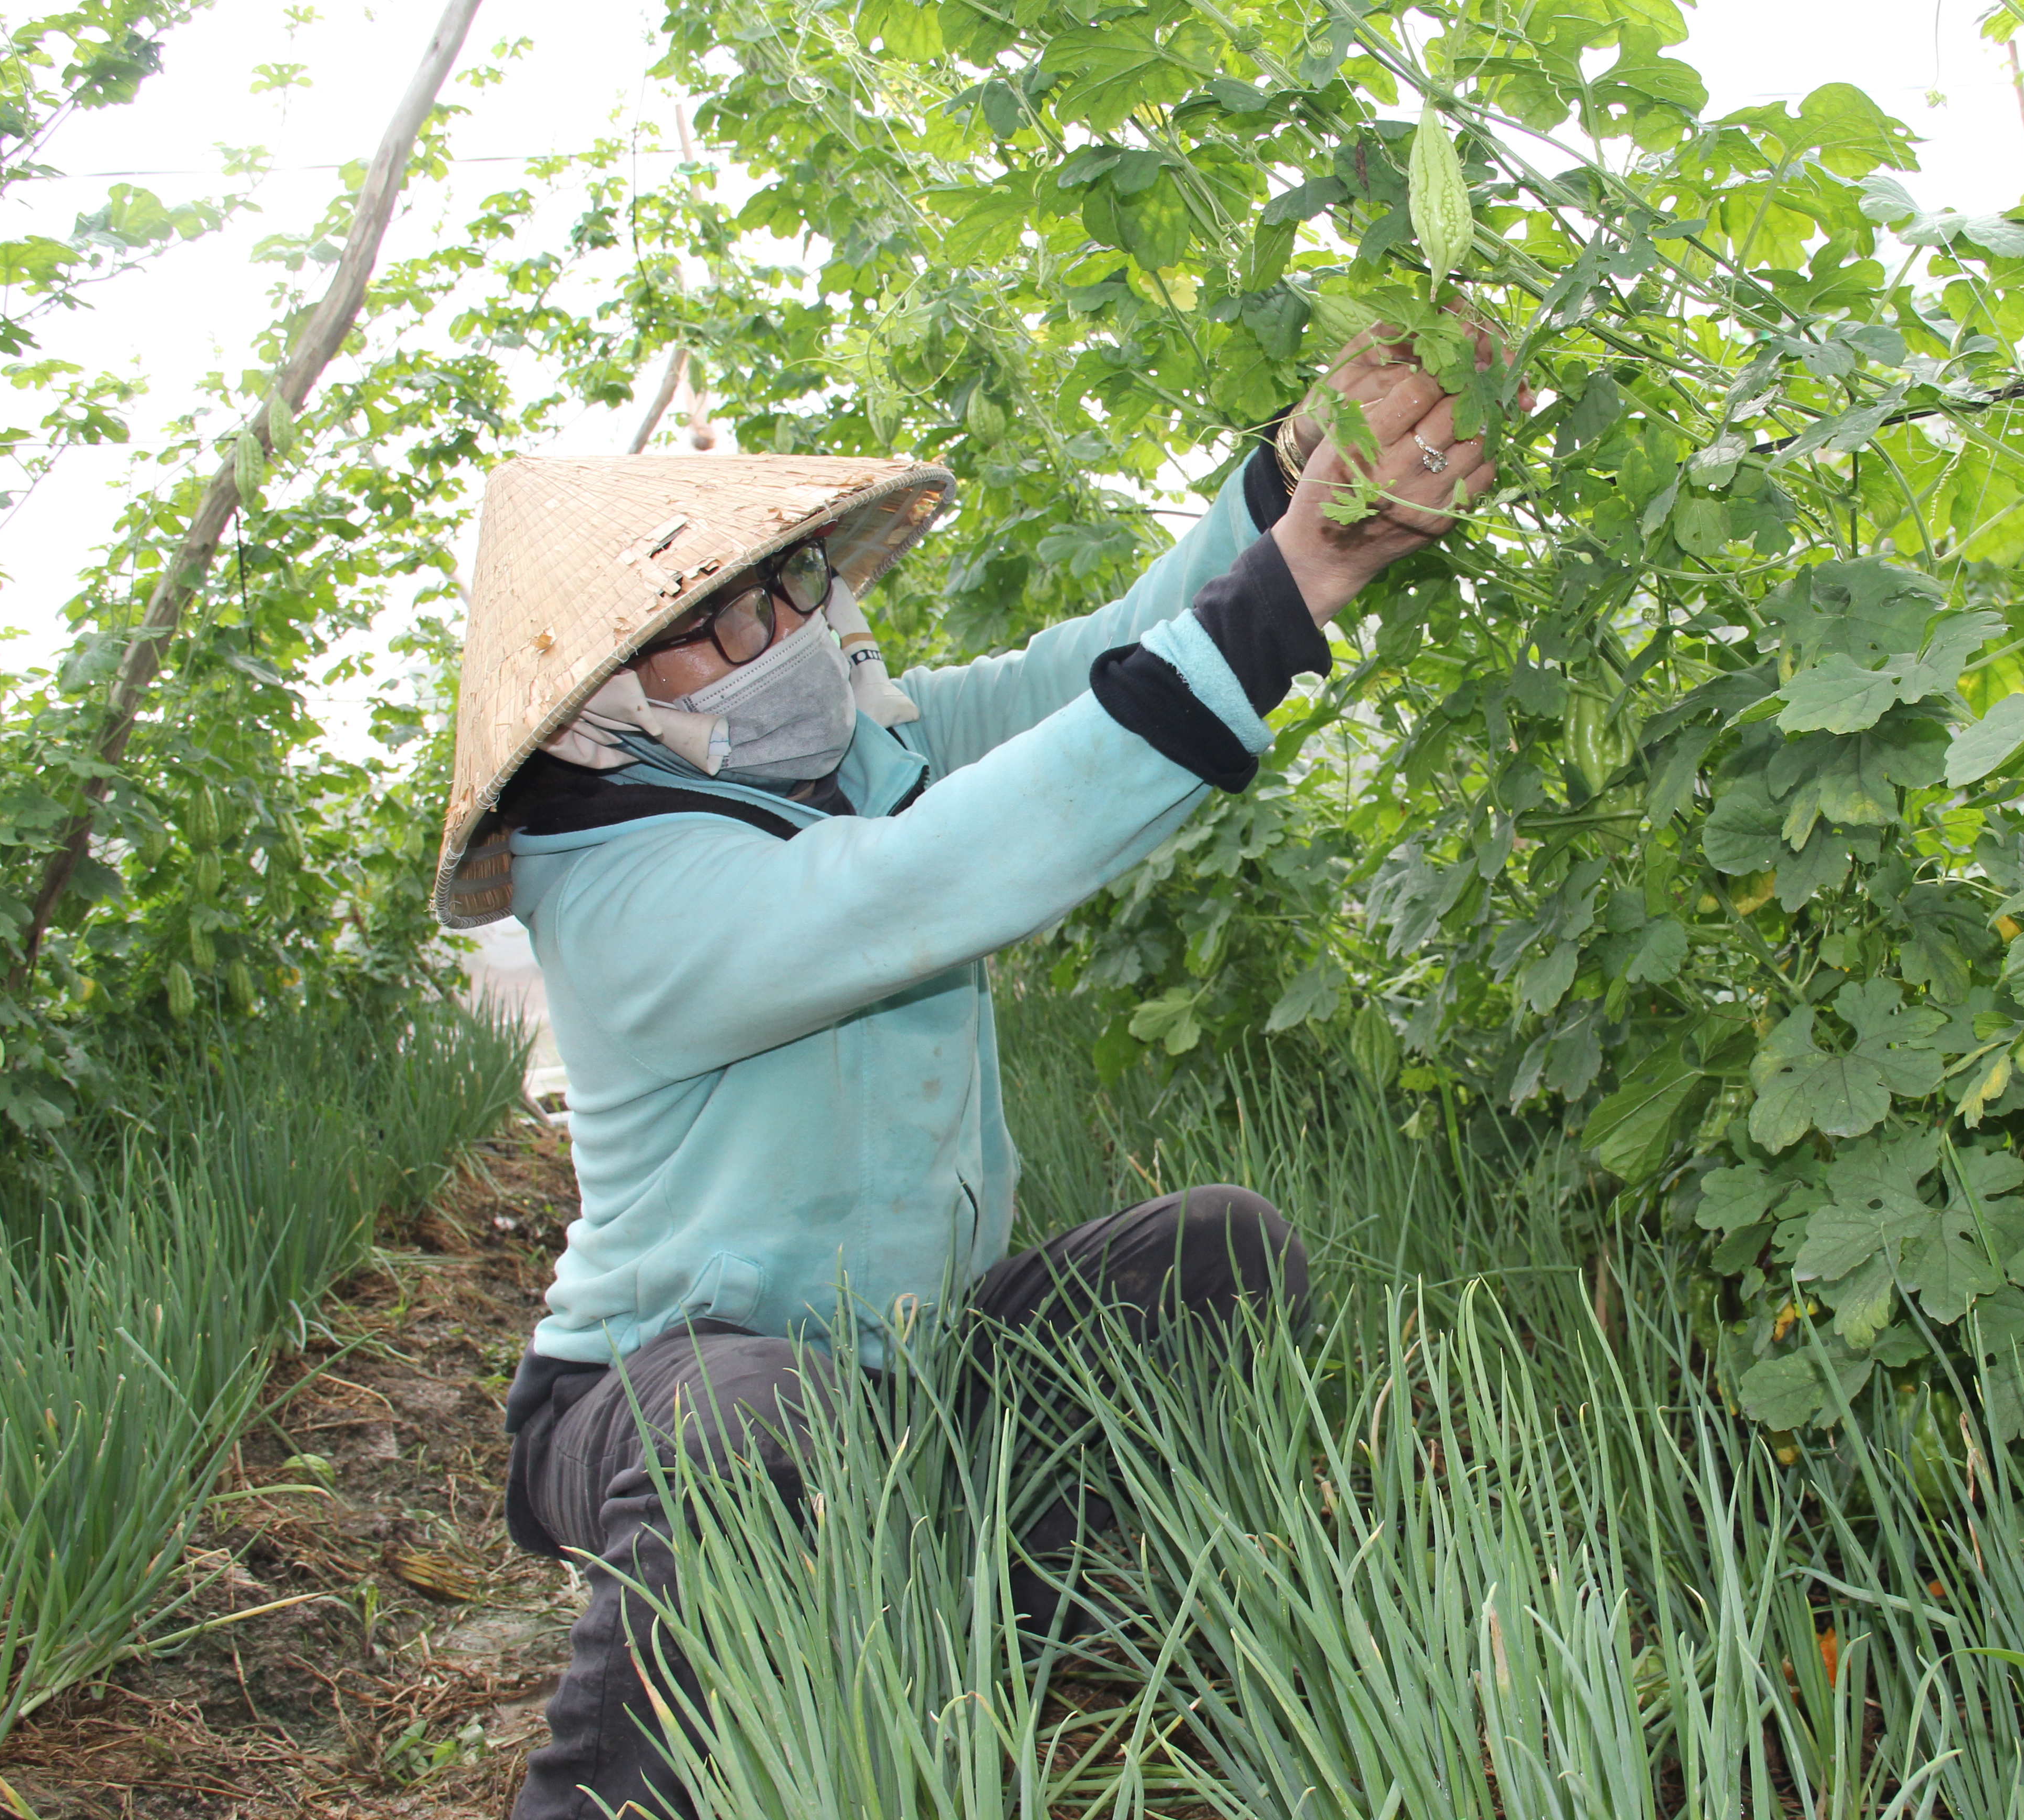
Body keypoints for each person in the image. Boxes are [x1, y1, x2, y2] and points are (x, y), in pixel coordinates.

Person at [431, 331, 1498, 1819]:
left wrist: (1286, 492)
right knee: (755, 1430)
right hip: (663, 1386)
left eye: (789, 584)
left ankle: (940, 1629)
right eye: (718, 619)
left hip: (906, 1378)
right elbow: (924, 879)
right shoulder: (620, 894)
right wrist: (1290, 593)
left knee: (1214, 1255)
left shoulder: (857, 751)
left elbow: (1095, 670)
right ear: (604, 704)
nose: (787, 628)